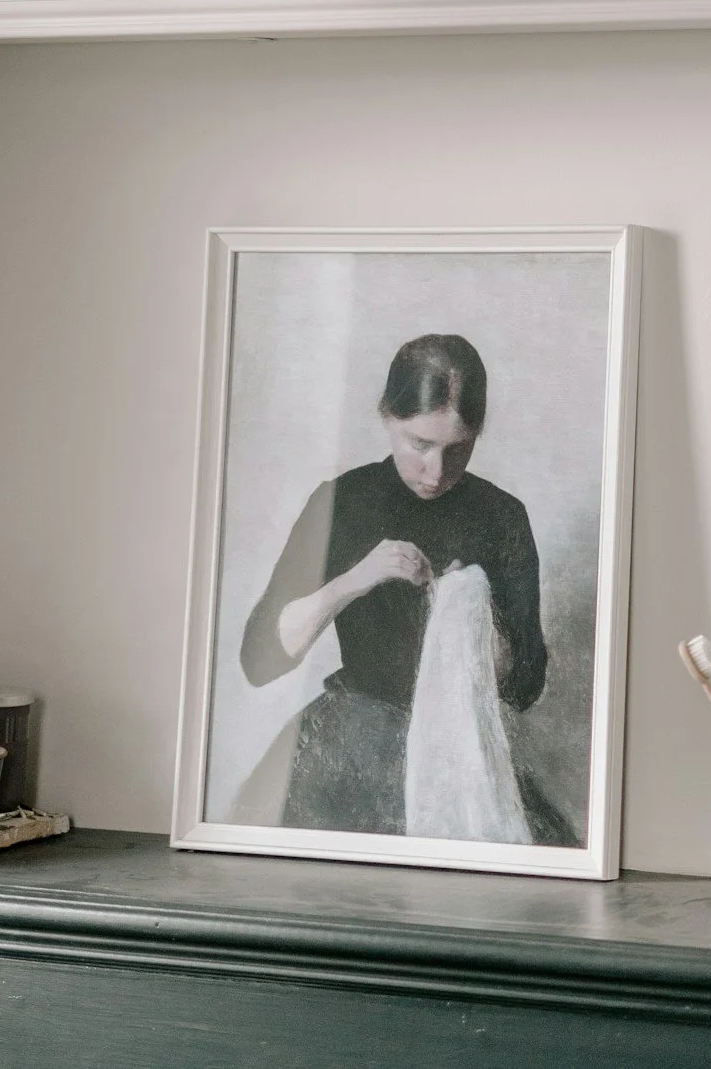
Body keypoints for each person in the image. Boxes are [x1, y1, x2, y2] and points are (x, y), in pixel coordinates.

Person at [239, 332, 566, 840]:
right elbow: (260, 661)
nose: (436, 471)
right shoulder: (344, 502)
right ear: (388, 419)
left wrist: (473, 613)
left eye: (458, 449)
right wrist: (356, 579)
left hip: (464, 750)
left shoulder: (502, 516)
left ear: (477, 433)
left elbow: (526, 687)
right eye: (420, 444)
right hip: (354, 740)